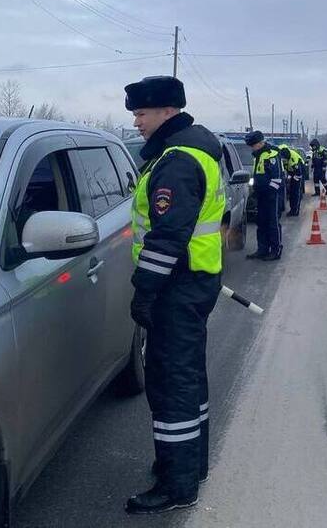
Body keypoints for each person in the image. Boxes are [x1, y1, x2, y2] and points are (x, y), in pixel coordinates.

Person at [125, 76, 224, 514]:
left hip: (176, 287)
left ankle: (177, 484)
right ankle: (190, 463)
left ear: (167, 111)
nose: (136, 122)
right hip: (194, 282)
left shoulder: (178, 160)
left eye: (142, 113)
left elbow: (166, 238)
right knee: (188, 378)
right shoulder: (192, 148)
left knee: (171, 383)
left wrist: (144, 291)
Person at [246, 131, 283, 261]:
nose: (252, 147)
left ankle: (275, 250)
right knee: (261, 223)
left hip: (272, 195)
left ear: (261, 143)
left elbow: (277, 178)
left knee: (272, 223)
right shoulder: (258, 155)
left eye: (254, 145)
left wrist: (271, 193)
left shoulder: (271, 155)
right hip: (261, 195)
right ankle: (262, 249)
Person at [279, 144, 303, 216]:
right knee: (290, 192)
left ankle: (295, 211)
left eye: (285, 160)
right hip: (291, 172)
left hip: (299, 171)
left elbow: (298, 173)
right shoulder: (281, 154)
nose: (284, 161)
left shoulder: (293, 159)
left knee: (295, 192)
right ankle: (292, 209)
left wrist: (292, 178)